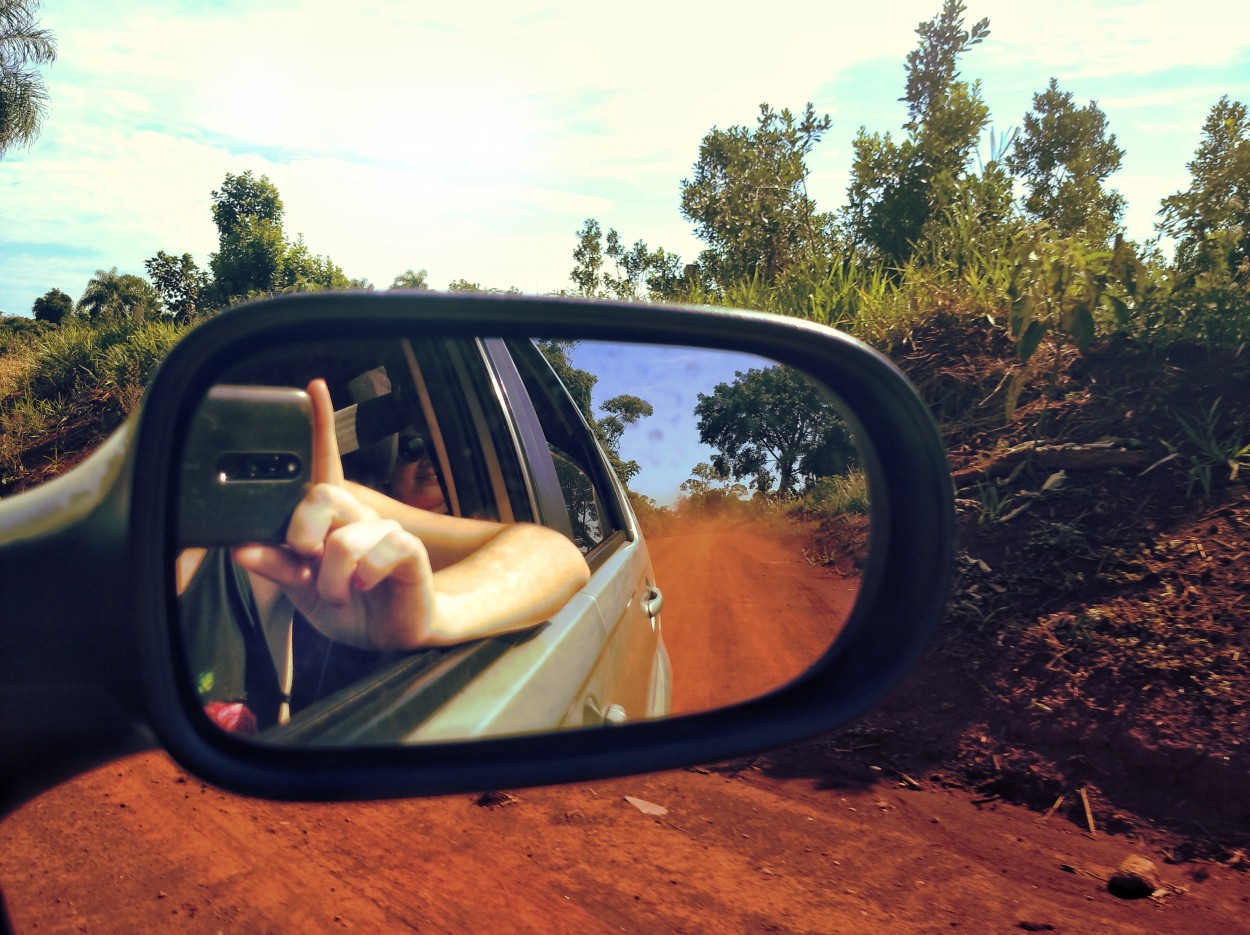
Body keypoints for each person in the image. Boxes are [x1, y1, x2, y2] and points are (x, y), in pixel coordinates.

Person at [177, 378, 591, 734]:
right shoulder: (120, 548)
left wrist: (436, 611)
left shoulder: (304, 518)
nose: (426, 458)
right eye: (411, 447)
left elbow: (556, 556)